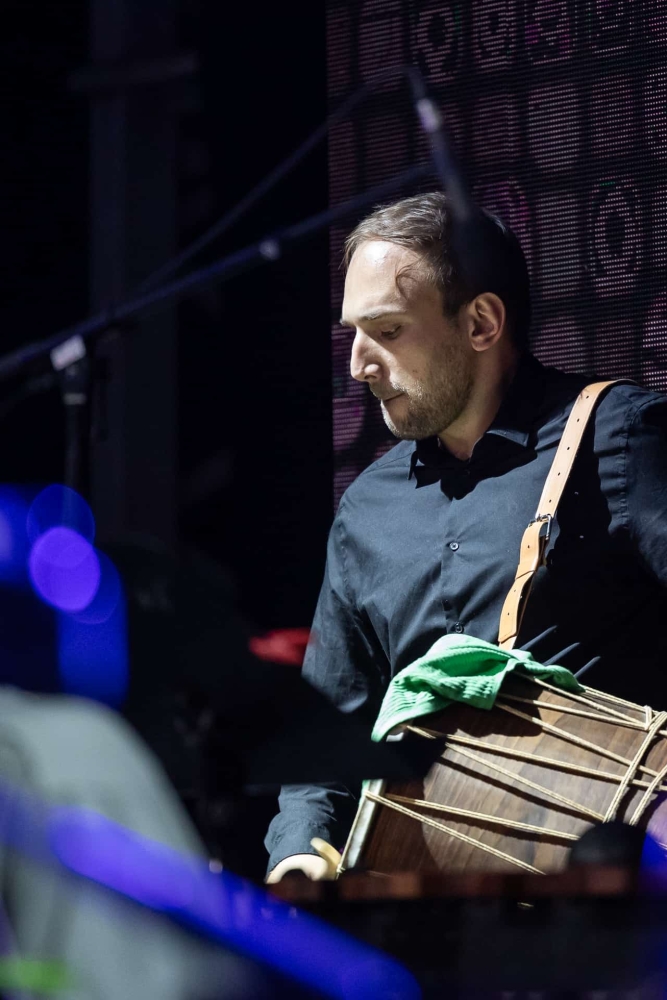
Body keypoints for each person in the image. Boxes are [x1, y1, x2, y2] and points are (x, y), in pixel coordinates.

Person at [265, 191, 667, 883]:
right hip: (432, 910)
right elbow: (327, 731)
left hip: (622, 897)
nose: (358, 364)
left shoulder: (622, 438)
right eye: (353, 332)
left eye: (387, 330)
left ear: (481, 322)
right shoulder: (367, 508)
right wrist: (301, 853)